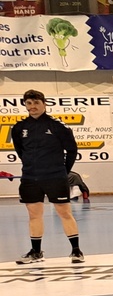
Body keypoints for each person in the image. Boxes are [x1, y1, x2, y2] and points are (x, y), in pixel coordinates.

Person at [9, 90, 83, 264]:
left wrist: (64, 171)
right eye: (29, 103)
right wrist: (31, 167)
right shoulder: (19, 128)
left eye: (36, 103)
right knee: (34, 214)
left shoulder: (58, 126)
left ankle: (76, 251)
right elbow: (21, 151)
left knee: (64, 212)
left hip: (55, 177)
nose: (32, 106)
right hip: (30, 178)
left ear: (44, 103)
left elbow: (72, 150)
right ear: (25, 105)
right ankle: (36, 252)